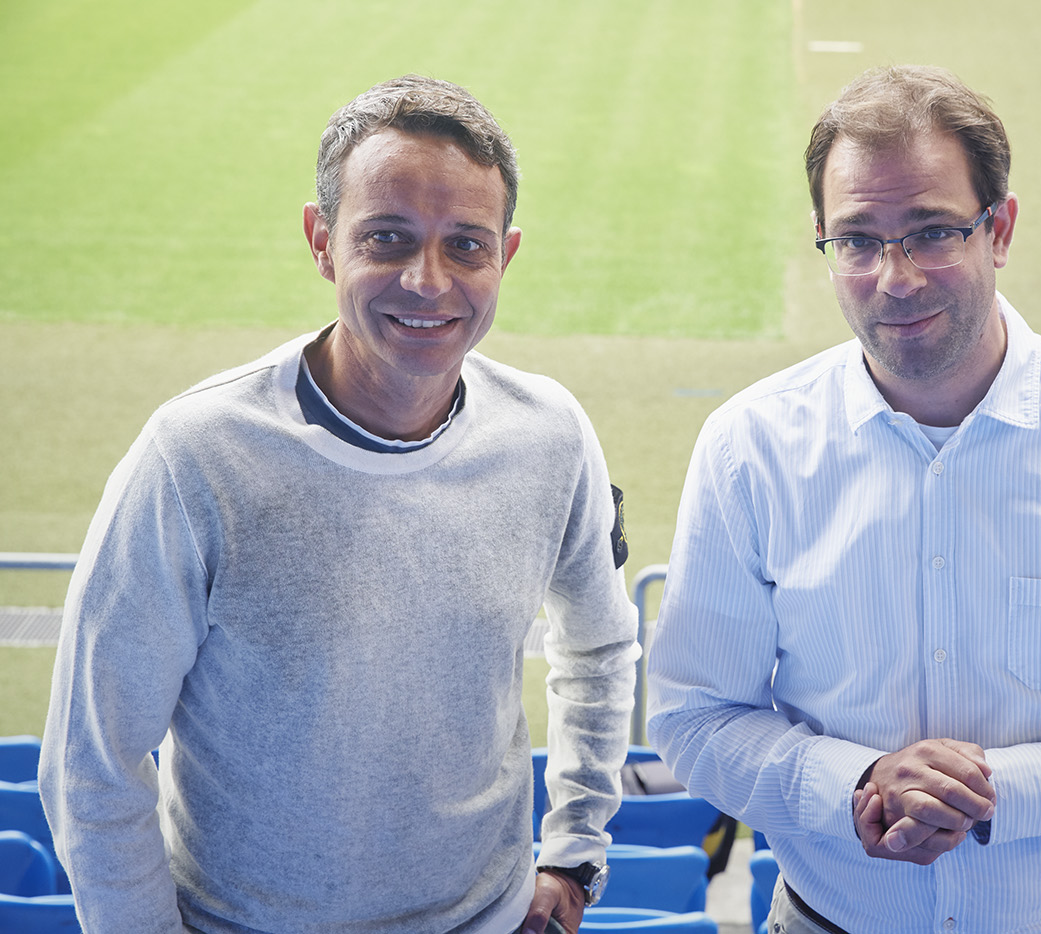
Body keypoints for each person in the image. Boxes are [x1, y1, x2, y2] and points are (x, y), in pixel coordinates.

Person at [646, 65, 1041, 934]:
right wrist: (860, 786)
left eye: (932, 232)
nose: (894, 277)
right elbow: (695, 720)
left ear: (1002, 229)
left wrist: (1004, 793)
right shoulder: (748, 447)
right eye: (859, 240)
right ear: (824, 243)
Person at [39, 74, 639, 934]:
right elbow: (92, 763)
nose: (428, 282)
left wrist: (575, 848)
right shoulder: (195, 456)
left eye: (465, 245)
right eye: (387, 238)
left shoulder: (552, 434)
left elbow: (602, 645)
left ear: (505, 255)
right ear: (323, 242)